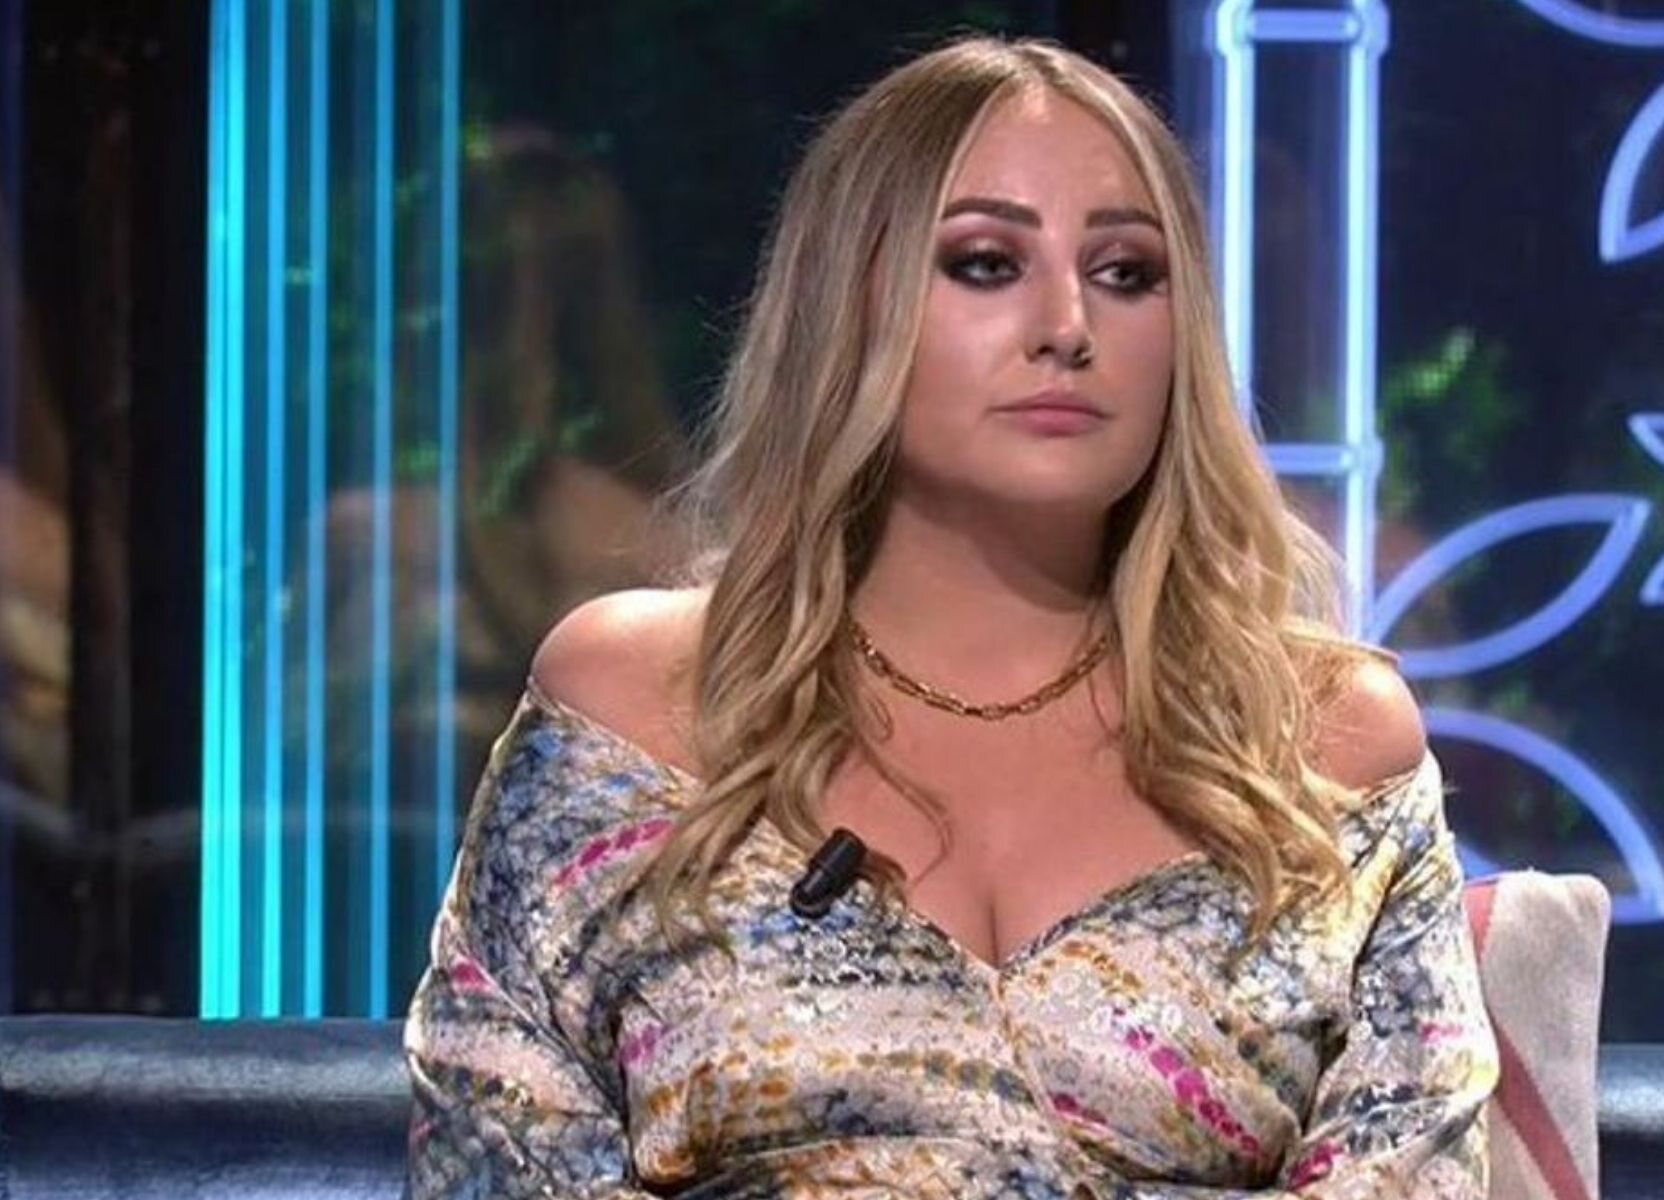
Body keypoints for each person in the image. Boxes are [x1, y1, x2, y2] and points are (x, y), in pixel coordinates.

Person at [404, 35, 1496, 1199]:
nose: (1067, 325)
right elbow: (495, 1158)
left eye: (1126, 272)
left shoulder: (1324, 744)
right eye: (984, 263)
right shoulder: (630, 711)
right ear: (847, 307)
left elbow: (1407, 1169)